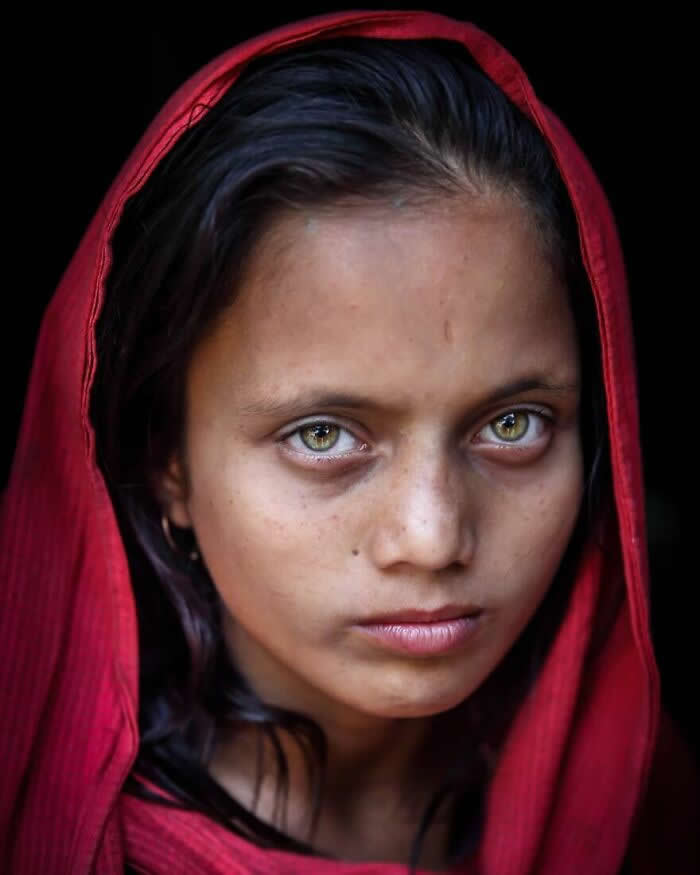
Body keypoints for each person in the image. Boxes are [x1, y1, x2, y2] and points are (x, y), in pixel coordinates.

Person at [1, 9, 696, 875]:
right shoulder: (65, 844)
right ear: (165, 459)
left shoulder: (630, 786)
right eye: (323, 435)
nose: (433, 537)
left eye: (512, 423)